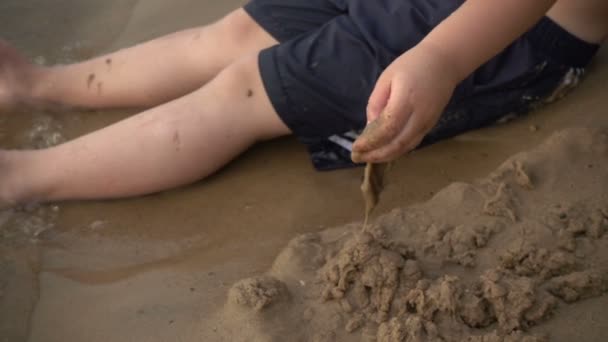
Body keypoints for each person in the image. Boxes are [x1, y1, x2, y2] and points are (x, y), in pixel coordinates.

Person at [0, 0, 606, 207]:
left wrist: (440, 61)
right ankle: (39, 86)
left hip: (507, 28)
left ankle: (21, 178)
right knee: (236, 34)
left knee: (243, 90)